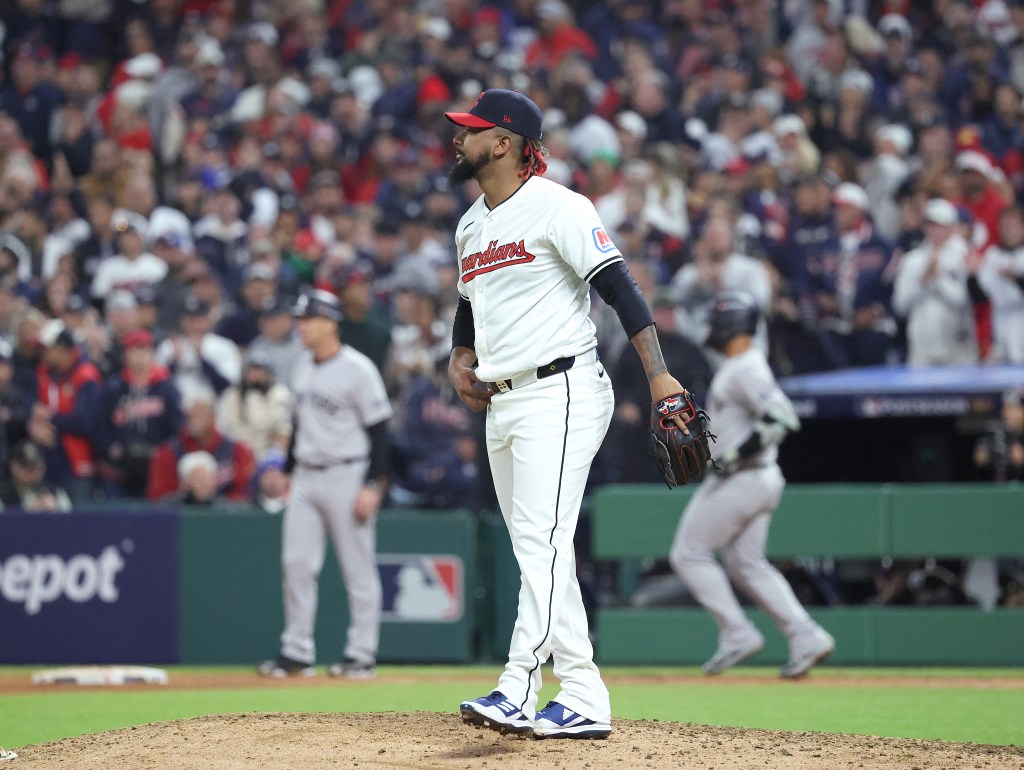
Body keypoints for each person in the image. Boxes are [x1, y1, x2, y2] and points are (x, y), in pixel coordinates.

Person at [445, 89, 701, 740]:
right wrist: (458, 354)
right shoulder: (471, 222)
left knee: (542, 543)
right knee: (539, 550)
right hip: (502, 401)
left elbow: (620, 288)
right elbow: (470, 301)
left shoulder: (559, 207)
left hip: (561, 388)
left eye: (470, 131)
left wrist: (659, 374)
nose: (459, 140)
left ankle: (518, 686)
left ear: (502, 142)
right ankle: (583, 692)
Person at [668, 292, 835, 679]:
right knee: (746, 563)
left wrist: (732, 456)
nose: (710, 329)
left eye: (716, 321)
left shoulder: (745, 367)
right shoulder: (739, 366)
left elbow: (782, 420)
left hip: (743, 478)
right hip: (758, 479)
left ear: (732, 324)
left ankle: (737, 631)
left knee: (688, 553)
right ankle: (806, 635)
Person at [259, 290, 392, 680]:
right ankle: (296, 652)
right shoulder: (303, 366)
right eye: (299, 319)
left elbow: (382, 433)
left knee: (358, 568)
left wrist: (372, 484)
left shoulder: (358, 368)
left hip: (347, 474)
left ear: (329, 322)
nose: (300, 326)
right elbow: (299, 424)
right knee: (296, 564)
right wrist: (286, 468)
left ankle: (361, 654)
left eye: (307, 319)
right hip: (306, 474)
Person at [0, 440, 73, 512]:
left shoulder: (55, 492)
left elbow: (70, 518)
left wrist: (56, 509)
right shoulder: (3, 494)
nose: (33, 472)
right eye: (26, 467)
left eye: (37, 467)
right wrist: (26, 510)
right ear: (13, 466)